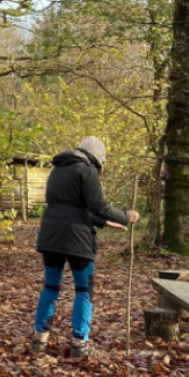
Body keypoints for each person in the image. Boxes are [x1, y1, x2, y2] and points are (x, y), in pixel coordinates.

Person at [32, 137, 138, 358]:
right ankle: (80, 344)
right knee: (84, 289)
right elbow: (97, 205)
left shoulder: (58, 169)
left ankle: (39, 341)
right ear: (97, 158)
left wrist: (103, 222)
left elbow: (70, 206)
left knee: (51, 287)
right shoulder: (87, 170)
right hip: (76, 238)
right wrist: (127, 216)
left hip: (51, 235)